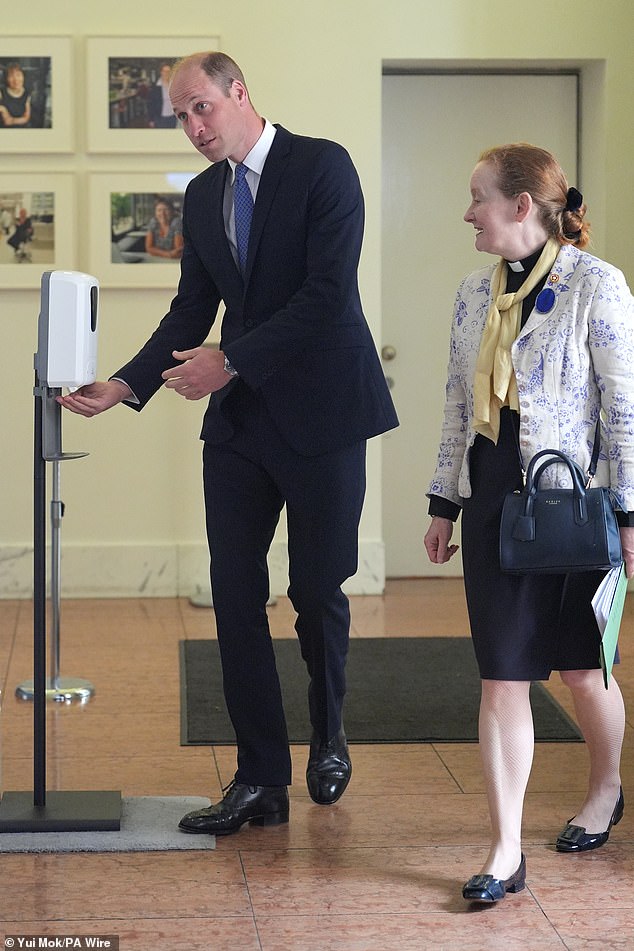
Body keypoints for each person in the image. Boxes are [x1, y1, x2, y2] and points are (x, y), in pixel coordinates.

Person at [57, 51, 398, 836]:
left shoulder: (322, 166)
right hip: (242, 425)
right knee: (234, 596)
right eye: (180, 115)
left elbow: (327, 295)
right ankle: (259, 778)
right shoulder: (206, 197)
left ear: (239, 93)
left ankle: (331, 731)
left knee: (316, 591)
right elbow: (190, 312)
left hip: (325, 415)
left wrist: (231, 357)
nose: (192, 127)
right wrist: (124, 384)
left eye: (200, 107)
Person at [424, 142, 632, 904]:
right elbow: (456, 400)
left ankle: (606, 786)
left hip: (575, 504)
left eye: (477, 197)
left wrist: (631, 515)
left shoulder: (596, 286)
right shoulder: (472, 295)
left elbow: (627, 412)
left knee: (581, 670)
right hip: (494, 505)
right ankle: (506, 849)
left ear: (520, 206)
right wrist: (444, 499)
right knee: (504, 675)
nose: (467, 212)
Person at [0, 63, 32, 127]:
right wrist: (3, 109)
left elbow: (26, 118)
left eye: (18, 75)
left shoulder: (26, 93)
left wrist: (11, 121)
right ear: (6, 79)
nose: (16, 80)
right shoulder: (1, 92)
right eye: (11, 76)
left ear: (23, 77)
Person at [147, 64, 177, 128]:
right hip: (160, 118)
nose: (167, 73)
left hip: (173, 117)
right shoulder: (155, 87)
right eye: (165, 71)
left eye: (169, 71)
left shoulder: (173, 85)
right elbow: (150, 104)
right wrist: (151, 120)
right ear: (161, 72)